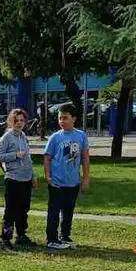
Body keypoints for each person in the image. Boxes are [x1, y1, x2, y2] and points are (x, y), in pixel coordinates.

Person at [43, 104, 90, 251]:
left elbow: (85, 157)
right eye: (60, 118)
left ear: (74, 118)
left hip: (73, 182)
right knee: (54, 211)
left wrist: (86, 178)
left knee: (68, 211)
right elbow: (47, 158)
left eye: (65, 118)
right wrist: (48, 177)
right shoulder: (55, 137)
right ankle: (52, 238)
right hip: (57, 182)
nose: (62, 121)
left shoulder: (81, 135)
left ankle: (65, 236)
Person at [0, 108, 36, 251]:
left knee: (23, 208)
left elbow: (28, 158)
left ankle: (21, 235)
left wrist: (33, 175)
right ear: (11, 122)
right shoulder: (7, 137)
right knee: (11, 210)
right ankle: (5, 239)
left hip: (26, 179)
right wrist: (15, 155)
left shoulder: (23, 136)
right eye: (16, 121)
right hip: (13, 179)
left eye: (22, 120)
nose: (19, 123)